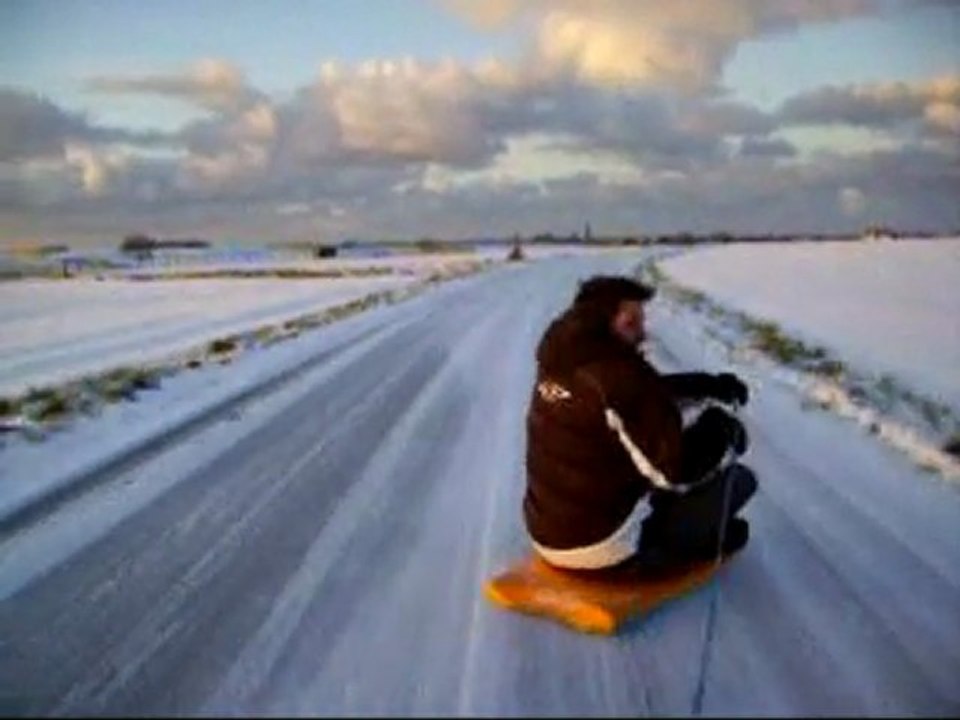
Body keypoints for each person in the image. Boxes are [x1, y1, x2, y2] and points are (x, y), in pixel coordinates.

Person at [523, 275, 757, 577]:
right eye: (631, 323)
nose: (643, 334)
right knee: (740, 481)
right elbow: (674, 473)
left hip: (546, 535)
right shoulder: (620, 376)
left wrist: (706, 385)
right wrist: (721, 431)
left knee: (645, 475)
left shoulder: (563, 361)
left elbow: (636, 396)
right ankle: (667, 551)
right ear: (600, 321)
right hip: (599, 550)